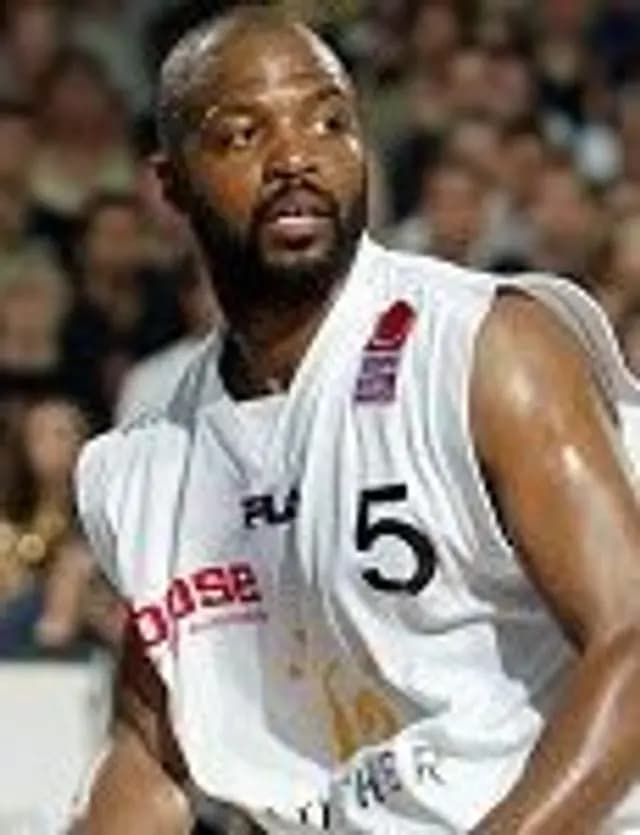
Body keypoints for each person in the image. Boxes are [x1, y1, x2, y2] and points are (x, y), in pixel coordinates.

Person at [74, 8, 640, 834]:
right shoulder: (150, 465)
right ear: (171, 184)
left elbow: (630, 639)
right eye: (243, 134)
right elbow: (149, 753)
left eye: (329, 121)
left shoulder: (483, 347)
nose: (296, 157)